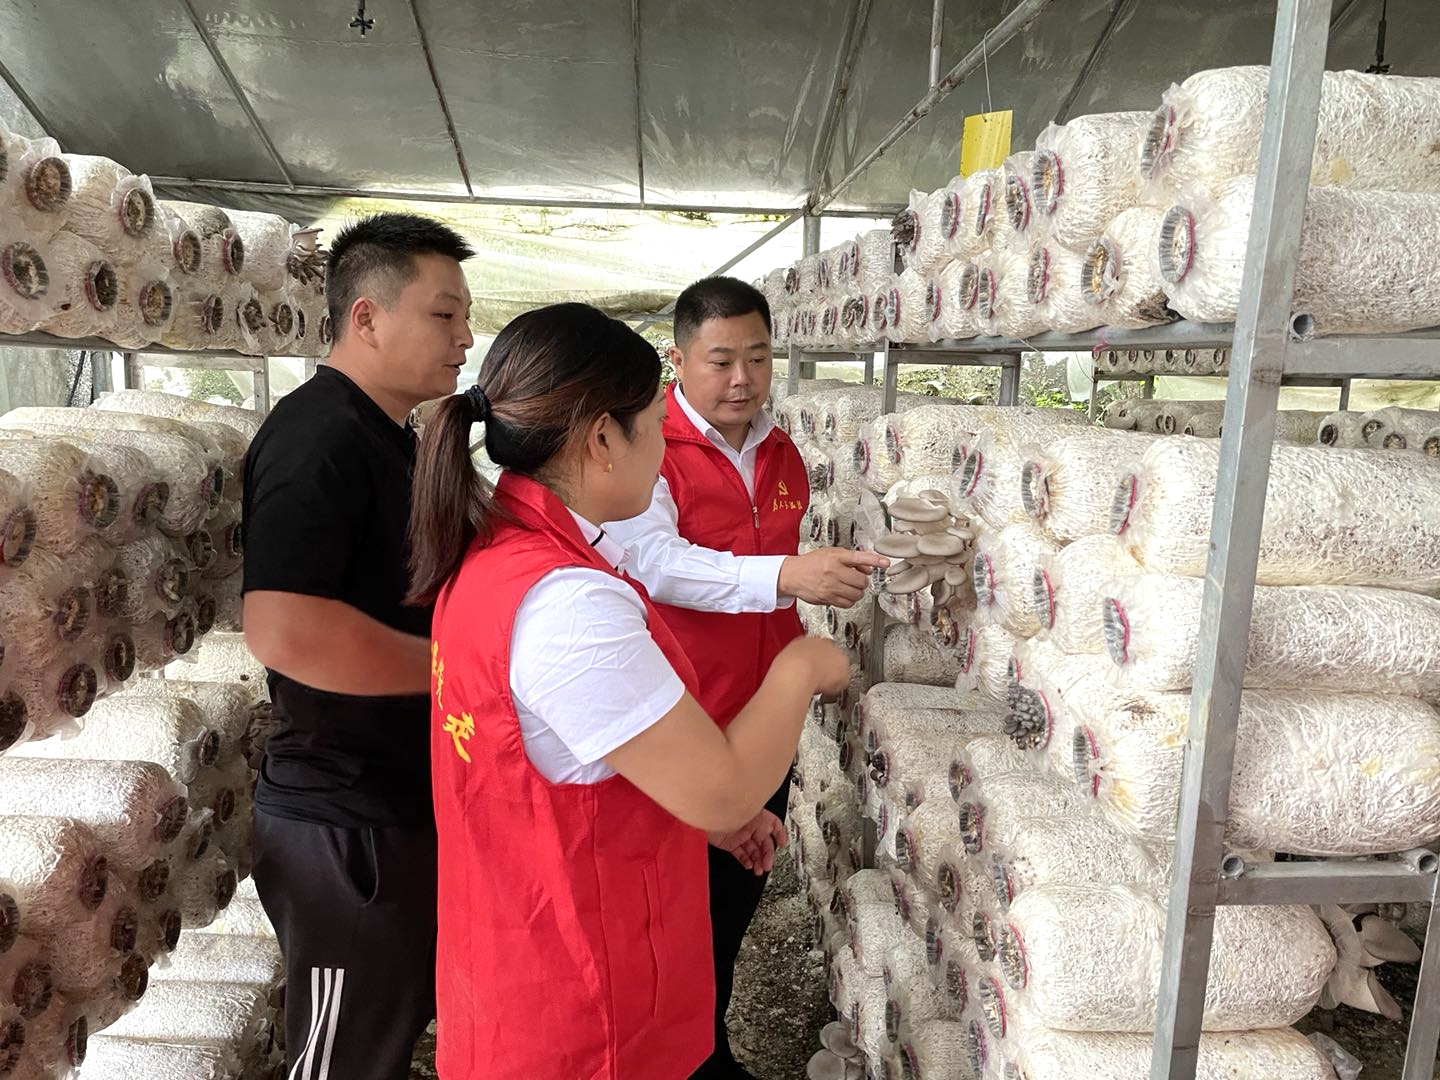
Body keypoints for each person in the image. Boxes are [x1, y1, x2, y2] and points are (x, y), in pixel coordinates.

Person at [407, 302, 850, 1080]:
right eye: (653, 425)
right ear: (603, 439)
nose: (663, 448)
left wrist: (691, 823)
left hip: (520, 963)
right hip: (584, 1006)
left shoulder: (501, 556)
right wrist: (804, 663)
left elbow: (562, 755)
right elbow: (723, 789)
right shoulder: (567, 602)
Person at [603, 276, 885, 1079]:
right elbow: (656, 563)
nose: (742, 379)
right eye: (721, 360)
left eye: (758, 358)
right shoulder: (650, 446)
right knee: (670, 907)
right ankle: (667, 1055)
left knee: (733, 898)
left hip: (763, 716)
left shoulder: (780, 450)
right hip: (682, 717)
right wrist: (786, 576)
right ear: (678, 359)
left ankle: (707, 1049)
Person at [241, 212, 474, 1080]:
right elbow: (284, 628)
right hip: (344, 822)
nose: (465, 338)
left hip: (394, 801)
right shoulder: (318, 436)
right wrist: (459, 671)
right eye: (444, 315)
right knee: (341, 1062)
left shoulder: (391, 435)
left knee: (386, 1033)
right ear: (366, 317)